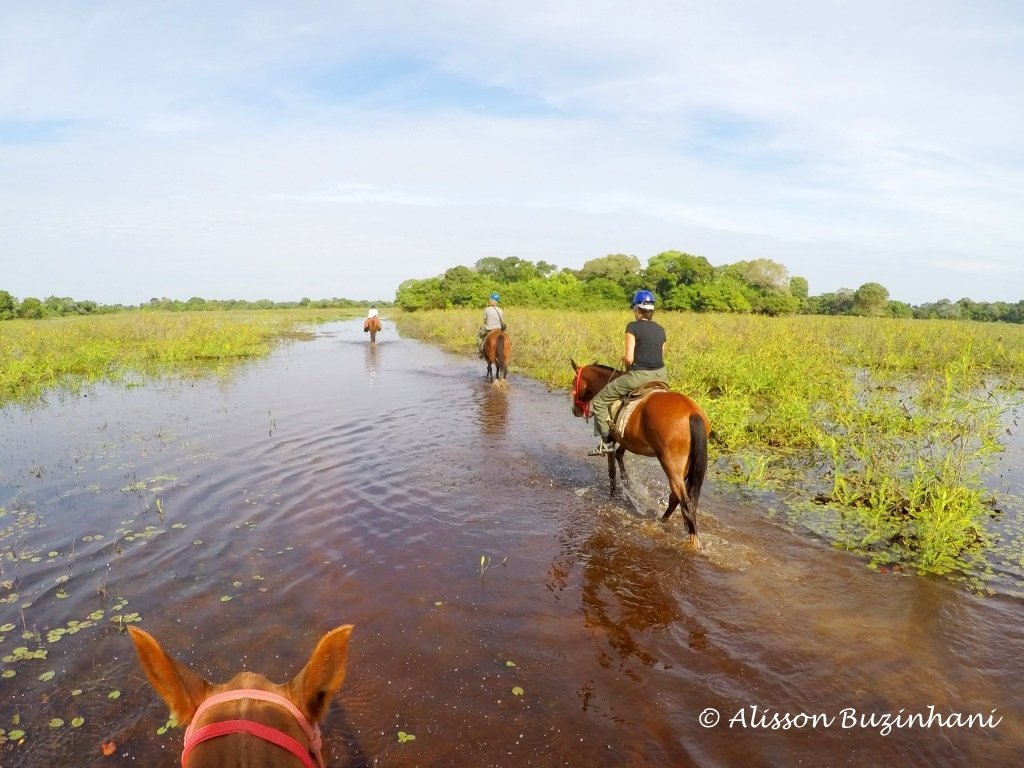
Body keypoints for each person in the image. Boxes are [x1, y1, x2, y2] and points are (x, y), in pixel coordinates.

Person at [588, 289, 667, 456]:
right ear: (651, 310)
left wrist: (628, 367)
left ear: (637, 309)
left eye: (634, 309)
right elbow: (661, 354)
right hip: (662, 376)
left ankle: (606, 443)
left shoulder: (632, 327)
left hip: (639, 376)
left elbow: (629, 358)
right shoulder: (661, 329)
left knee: (600, 401)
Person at [477, 292, 505, 357]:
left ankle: (481, 352)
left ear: (492, 300)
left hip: (489, 329)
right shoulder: (500, 310)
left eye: (490, 299)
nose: (489, 301)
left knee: (479, 336)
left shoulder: (487, 309)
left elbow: (485, 321)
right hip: (498, 329)